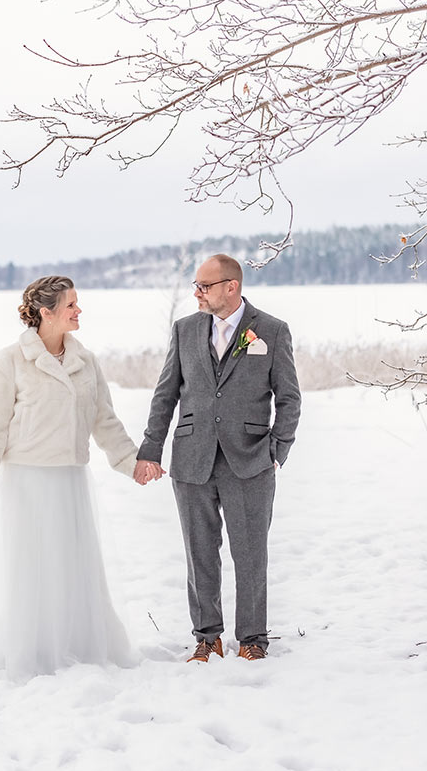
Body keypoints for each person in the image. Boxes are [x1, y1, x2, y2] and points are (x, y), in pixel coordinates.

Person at [0, 275, 144, 680]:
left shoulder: (86, 360)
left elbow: (104, 420)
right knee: (33, 565)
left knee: (74, 565)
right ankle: (34, 649)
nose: (79, 311)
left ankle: (77, 644)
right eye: (72, 305)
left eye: (78, 304)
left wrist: (132, 462)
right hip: (27, 479)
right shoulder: (11, 359)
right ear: (46, 312)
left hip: (71, 478)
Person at [135, 254, 301, 662]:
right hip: (192, 458)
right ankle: (206, 637)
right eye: (196, 285)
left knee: (250, 552)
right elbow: (165, 394)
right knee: (199, 552)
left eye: (204, 286)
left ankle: (252, 640)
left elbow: (290, 398)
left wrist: (276, 449)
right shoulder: (185, 329)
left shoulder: (272, 331)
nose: (197, 293)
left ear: (232, 286)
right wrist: (150, 449)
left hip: (251, 460)